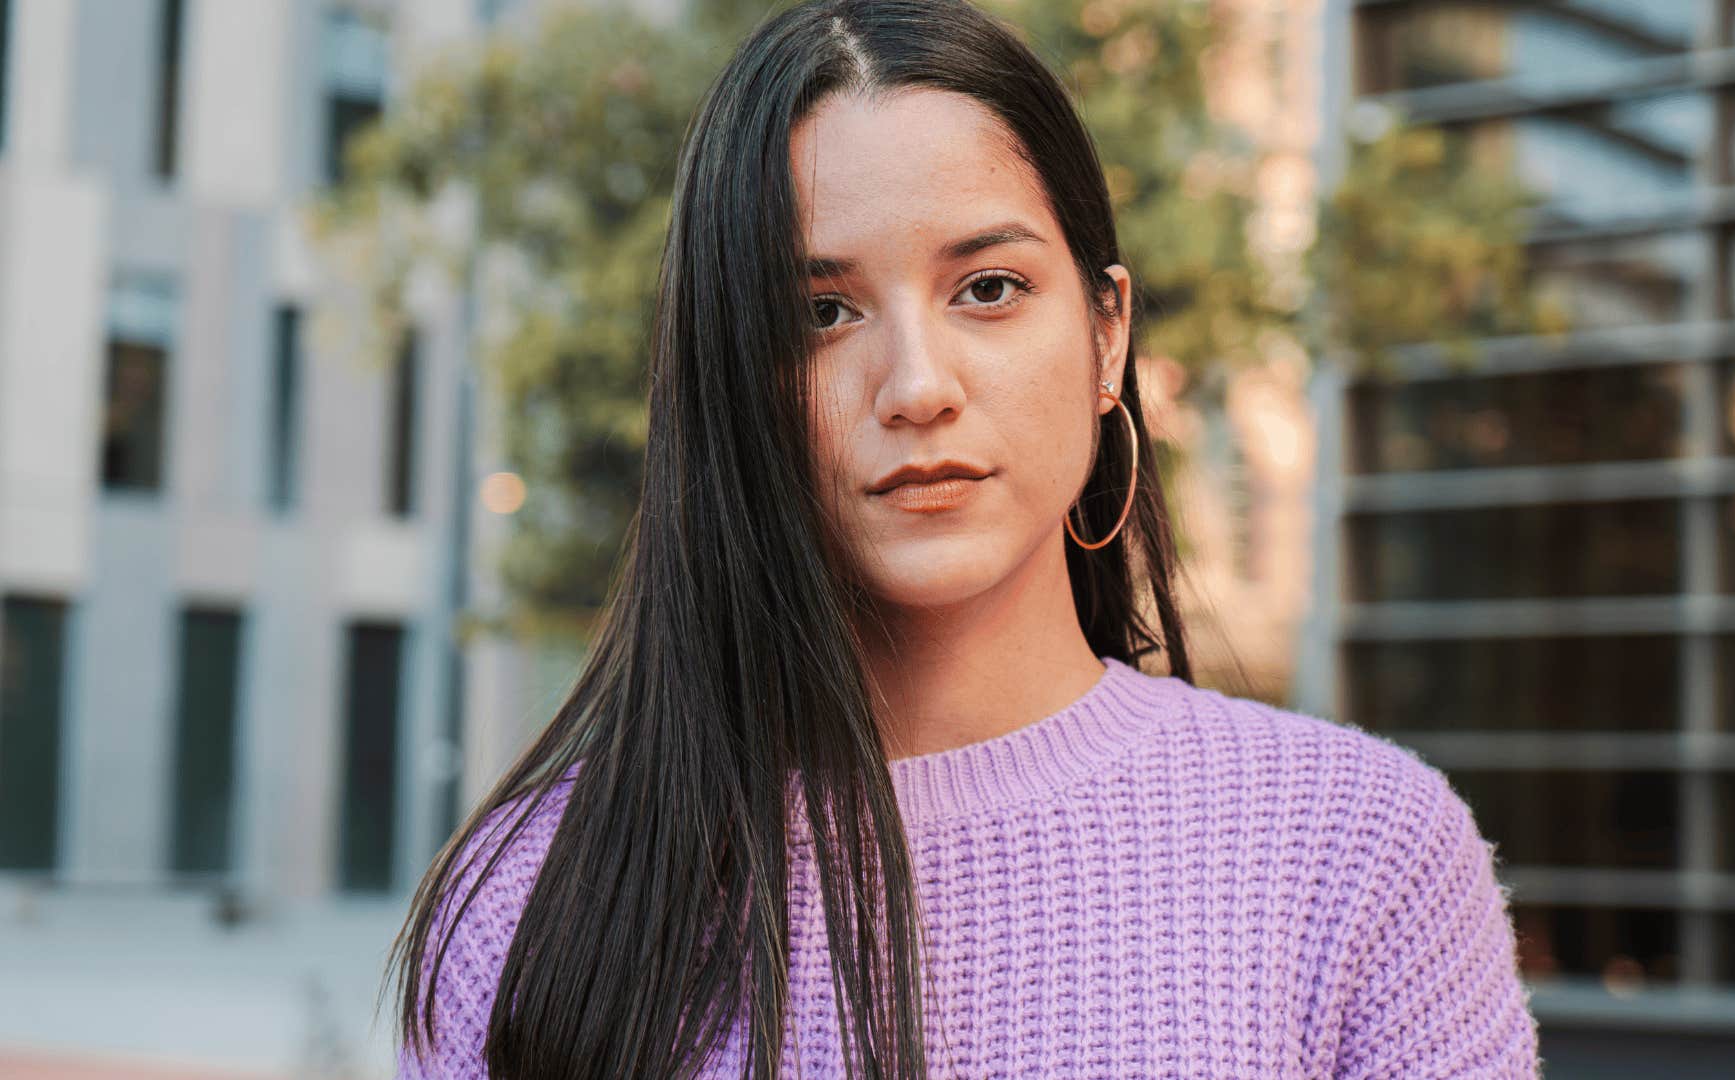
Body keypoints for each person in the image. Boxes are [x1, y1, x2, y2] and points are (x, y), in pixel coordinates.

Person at [389, 0, 1542, 1076]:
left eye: (988, 288)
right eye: (819, 314)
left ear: (1107, 333)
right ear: (729, 380)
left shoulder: (1360, 852)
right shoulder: (531, 901)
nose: (917, 386)